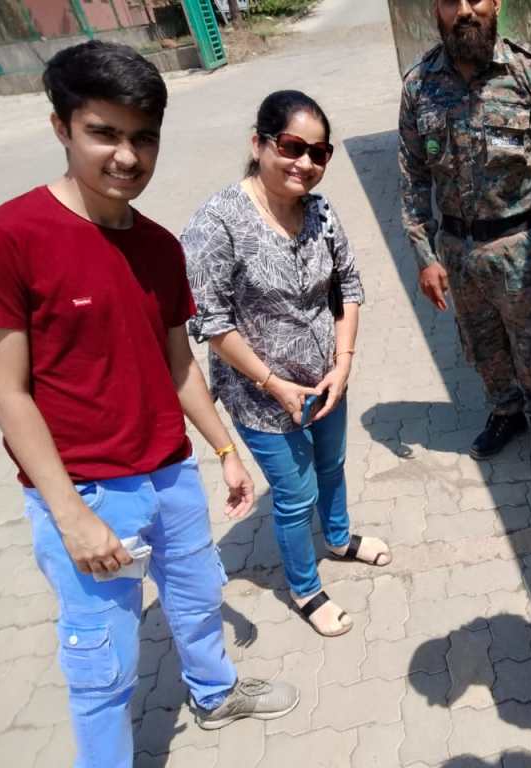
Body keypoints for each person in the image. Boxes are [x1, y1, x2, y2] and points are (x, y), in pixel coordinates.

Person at [0, 42, 298, 768]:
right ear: (61, 127)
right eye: (104, 133)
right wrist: (70, 514)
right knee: (105, 664)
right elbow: (7, 391)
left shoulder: (158, 246)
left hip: (170, 474)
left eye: (143, 137)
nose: (126, 156)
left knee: (197, 598)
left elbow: (178, 361)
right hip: (88, 491)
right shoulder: (7, 238)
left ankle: (215, 694)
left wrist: (225, 450)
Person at [182, 90, 390, 640]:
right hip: (261, 396)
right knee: (296, 496)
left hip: (327, 381)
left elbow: (349, 286)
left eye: (319, 153)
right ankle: (304, 587)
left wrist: (343, 363)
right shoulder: (216, 224)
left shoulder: (321, 212)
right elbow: (211, 323)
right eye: (292, 147)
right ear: (259, 143)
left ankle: (339, 539)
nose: (305, 163)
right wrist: (274, 384)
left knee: (332, 464)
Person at [398, 0, 531, 478]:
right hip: (457, 251)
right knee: (482, 344)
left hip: (522, 244)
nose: (464, 11)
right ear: (436, 10)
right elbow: (413, 178)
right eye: (450, 1)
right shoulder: (418, 86)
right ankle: (506, 412)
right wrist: (424, 255)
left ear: (495, 3)